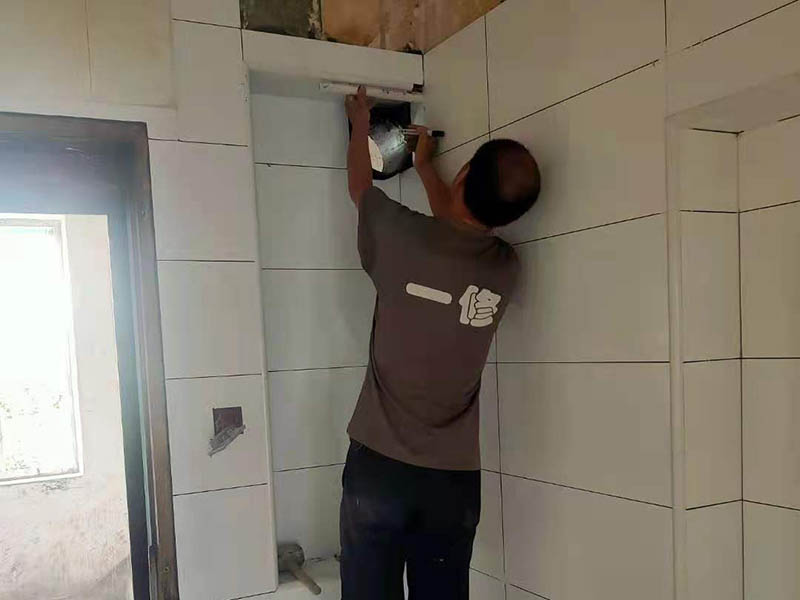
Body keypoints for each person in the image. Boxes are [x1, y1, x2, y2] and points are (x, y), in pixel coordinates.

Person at [340, 86, 541, 600]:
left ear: (464, 174)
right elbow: (457, 231)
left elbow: (361, 185)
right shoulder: (504, 269)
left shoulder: (399, 235)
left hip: (380, 469)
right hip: (452, 485)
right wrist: (428, 169)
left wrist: (360, 122)